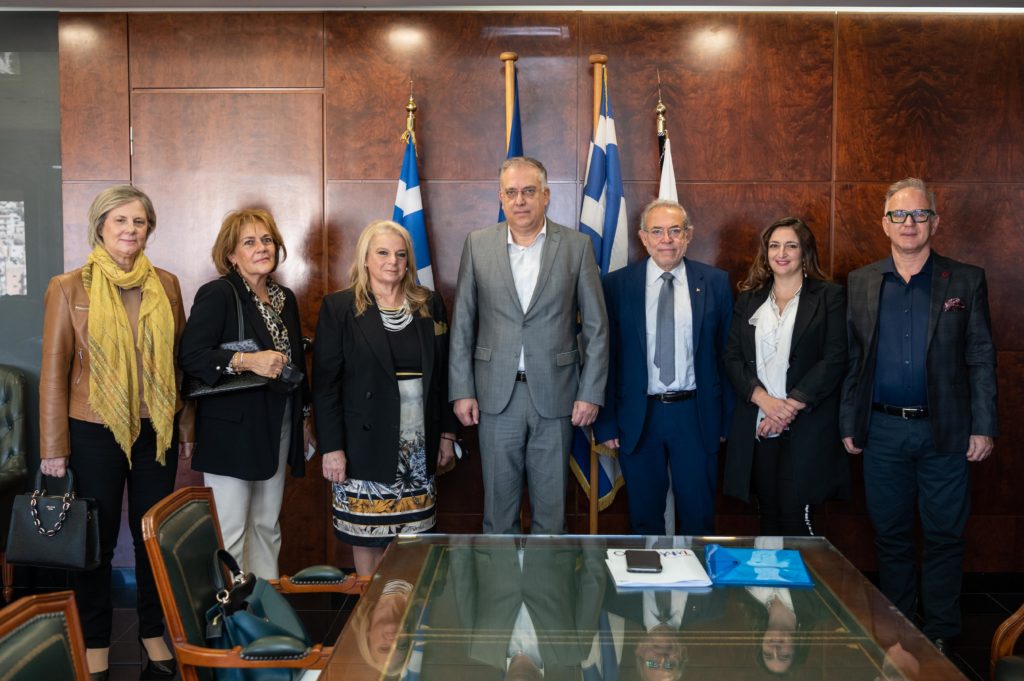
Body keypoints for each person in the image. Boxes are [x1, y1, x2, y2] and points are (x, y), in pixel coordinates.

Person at [39, 185, 192, 680]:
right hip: (91, 429)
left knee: (152, 538)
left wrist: (185, 425)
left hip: (155, 430)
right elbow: (54, 372)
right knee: (97, 543)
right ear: (100, 226)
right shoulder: (68, 287)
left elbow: (179, 363)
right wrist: (54, 448)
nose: (130, 230)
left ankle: (153, 633)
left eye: (139, 221)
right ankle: (96, 641)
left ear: (149, 229)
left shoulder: (166, 284)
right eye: (120, 220)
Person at [840, 177, 997, 651]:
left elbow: (980, 357)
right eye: (899, 215)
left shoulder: (965, 280)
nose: (909, 223)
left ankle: (941, 635)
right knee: (890, 537)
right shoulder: (862, 281)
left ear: (935, 221)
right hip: (882, 431)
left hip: (945, 432)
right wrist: (849, 422)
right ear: (884, 224)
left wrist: (984, 426)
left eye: (919, 214)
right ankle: (899, 634)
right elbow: (854, 359)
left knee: (945, 536)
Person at [449, 156, 608, 535]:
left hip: (557, 397)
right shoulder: (477, 244)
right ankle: (501, 579)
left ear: (546, 196)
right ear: (501, 198)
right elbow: (463, 323)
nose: (520, 200)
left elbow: (597, 328)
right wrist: (462, 390)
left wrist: (590, 393)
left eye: (529, 191)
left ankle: (546, 579)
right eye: (511, 192)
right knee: (498, 518)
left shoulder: (576, 246)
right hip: (494, 397)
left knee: (551, 519)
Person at [313, 219, 456, 576]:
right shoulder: (340, 307)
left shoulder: (429, 304)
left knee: (411, 542)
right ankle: (368, 608)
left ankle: (402, 611)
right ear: (365, 258)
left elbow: (443, 375)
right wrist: (332, 448)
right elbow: (326, 385)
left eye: (400, 254)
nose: (392, 261)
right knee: (367, 538)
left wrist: (447, 433)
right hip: (362, 444)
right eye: (382, 253)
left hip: (417, 445)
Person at [179, 208, 313, 580]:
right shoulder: (219, 294)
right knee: (232, 531)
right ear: (231, 254)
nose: (261, 248)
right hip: (232, 431)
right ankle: (233, 612)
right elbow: (191, 356)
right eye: (249, 242)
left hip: (279, 422)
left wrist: (304, 418)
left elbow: (297, 362)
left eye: (267, 240)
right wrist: (248, 361)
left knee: (267, 525)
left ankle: (265, 606)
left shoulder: (284, 298)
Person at [594, 198, 732, 536]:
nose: (666, 239)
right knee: (644, 518)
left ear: (688, 235)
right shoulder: (617, 285)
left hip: (696, 414)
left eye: (675, 231)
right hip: (639, 416)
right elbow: (606, 356)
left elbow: (726, 355)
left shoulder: (715, 282)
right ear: (643, 237)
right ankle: (649, 574)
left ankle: (697, 571)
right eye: (657, 231)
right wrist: (607, 421)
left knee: (698, 517)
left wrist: (726, 420)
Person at [722, 217, 848, 535]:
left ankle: (802, 573)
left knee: (796, 521)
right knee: (769, 516)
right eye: (774, 246)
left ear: (805, 252)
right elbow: (733, 357)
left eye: (791, 245)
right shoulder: (749, 298)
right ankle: (770, 573)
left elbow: (834, 359)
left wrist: (788, 407)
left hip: (805, 426)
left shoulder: (829, 296)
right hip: (760, 425)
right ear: (766, 253)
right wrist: (764, 401)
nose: (782, 253)